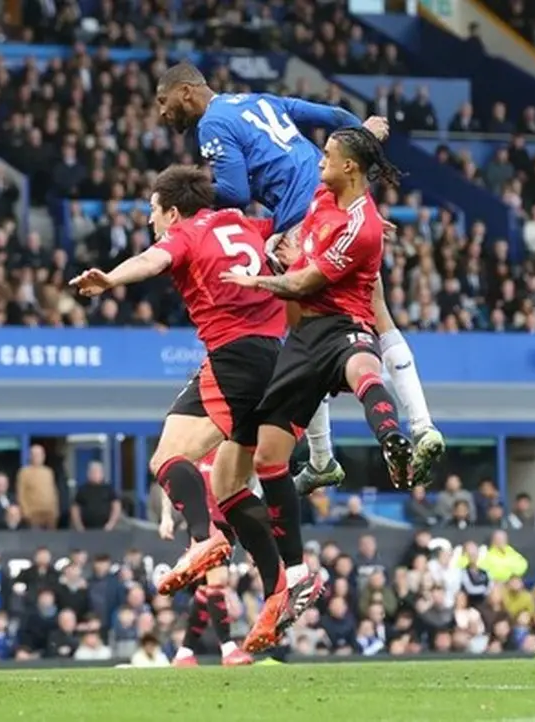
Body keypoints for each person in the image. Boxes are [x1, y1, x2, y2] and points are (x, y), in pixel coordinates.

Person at [155, 62, 446, 495]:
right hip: (340, 204)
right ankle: (421, 426)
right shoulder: (254, 99)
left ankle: (322, 457)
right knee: (378, 313)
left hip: (301, 222)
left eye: (163, 102)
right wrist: (361, 143)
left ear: (185, 92)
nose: (162, 113)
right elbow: (331, 117)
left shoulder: (212, 124)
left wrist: (188, 197)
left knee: (298, 336)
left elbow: (233, 192)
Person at [70, 165, 299, 622]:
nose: (152, 222)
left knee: (164, 459)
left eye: (154, 212)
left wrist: (112, 279)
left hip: (234, 355)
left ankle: (202, 538)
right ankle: (279, 592)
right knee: (231, 487)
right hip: (279, 359)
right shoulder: (244, 223)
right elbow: (294, 225)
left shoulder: (187, 234)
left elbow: (152, 260)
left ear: (172, 212)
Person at [219, 127, 412, 652]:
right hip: (302, 338)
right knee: (269, 459)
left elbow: (305, 284)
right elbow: (307, 231)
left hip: (342, 322)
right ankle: (298, 572)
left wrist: (258, 280)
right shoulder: (328, 196)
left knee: (360, 364)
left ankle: (393, 437)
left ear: (349, 167)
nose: (319, 160)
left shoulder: (363, 227)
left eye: (328, 155)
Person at [159, 449, 256, 668]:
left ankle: (184, 653)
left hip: (228, 523)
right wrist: (166, 517)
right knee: (217, 582)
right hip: (203, 524)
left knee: (206, 590)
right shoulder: (195, 448)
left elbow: (251, 481)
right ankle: (228, 648)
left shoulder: (231, 448)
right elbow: (169, 480)